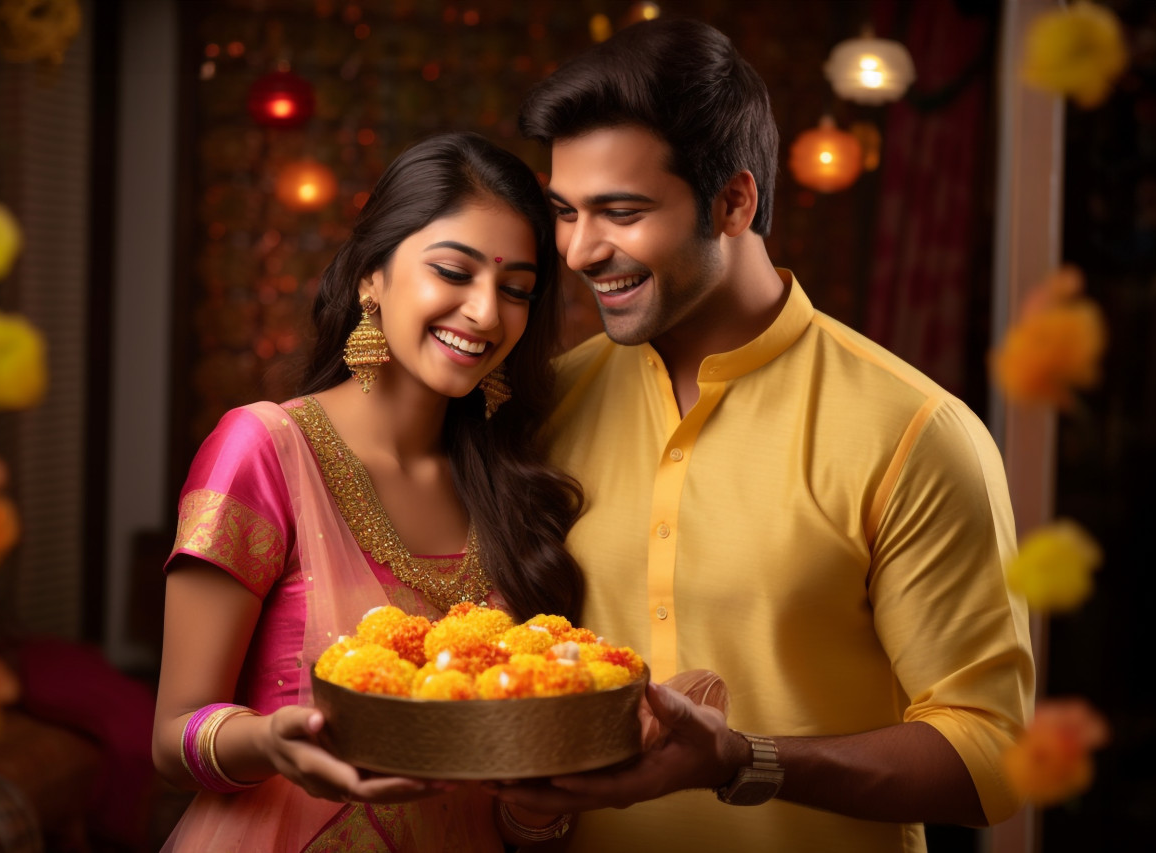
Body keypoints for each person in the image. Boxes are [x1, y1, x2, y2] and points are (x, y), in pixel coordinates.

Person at [491, 18, 1036, 853]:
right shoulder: (544, 407)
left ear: (735, 202)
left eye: (622, 211)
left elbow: (993, 754)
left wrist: (744, 761)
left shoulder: (913, 430)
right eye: (567, 212)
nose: (580, 250)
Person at [152, 132, 584, 852]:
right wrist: (270, 741)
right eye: (453, 271)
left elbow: (510, 804)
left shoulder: (513, 485)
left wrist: (540, 804)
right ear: (369, 277)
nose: (486, 313)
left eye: (516, 290)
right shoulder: (266, 449)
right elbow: (173, 737)